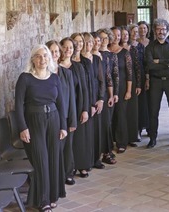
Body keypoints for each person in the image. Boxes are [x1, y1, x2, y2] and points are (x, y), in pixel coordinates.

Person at [15, 44, 67, 211]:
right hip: (34, 122)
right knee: (41, 160)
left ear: (49, 59)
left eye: (45, 56)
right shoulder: (25, 78)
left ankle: (52, 196)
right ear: (33, 60)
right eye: (38, 56)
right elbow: (18, 105)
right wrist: (22, 127)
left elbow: (61, 104)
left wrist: (63, 126)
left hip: (53, 120)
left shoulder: (54, 78)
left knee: (53, 158)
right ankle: (43, 200)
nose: (42, 59)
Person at [145, 18, 169, 148]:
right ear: (155, 31)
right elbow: (150, 65)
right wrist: (167, 61)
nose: (161, 31)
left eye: (163, 29)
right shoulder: (150, 46)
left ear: (167, 30)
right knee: (153, 111)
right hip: (156, 81)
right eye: (158, 29)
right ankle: (153, 138)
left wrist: (158, 61)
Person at [46, 40, 77, 187]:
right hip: (50, 118)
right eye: (51, 51)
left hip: (65, 116)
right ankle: (55, 176)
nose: (54, 54)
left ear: (60, 53)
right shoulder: (44, 74)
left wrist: (73, 120)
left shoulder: (67, 73)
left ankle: (68, 173)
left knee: (66, 147)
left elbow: (71, 97)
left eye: (56, 51)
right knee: (54, 149)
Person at [70, 32, 94, 177]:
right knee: (72, 137)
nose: (79, 44)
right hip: (70, 103)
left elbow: (88, 85)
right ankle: (71, 165)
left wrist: (88, 106)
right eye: (76, 41)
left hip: (82, 101)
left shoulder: (85, 62)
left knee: (83, 136)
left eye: (81, 41)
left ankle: (83, 165)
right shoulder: (65, 62)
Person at [82, 32, 105, 169]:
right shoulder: (79, 61)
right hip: (86, 100)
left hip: (97, 97)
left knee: (97, 131)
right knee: (87, 133)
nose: (89, 45)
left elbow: (101, 80)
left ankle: (96, 158)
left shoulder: (96, 59)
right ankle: (87, 161)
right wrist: (89, 104)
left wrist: (101, 99)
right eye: (86, 42)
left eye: (90, 42)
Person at [109, 26, 132, 153]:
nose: (116, 37)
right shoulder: (105, 51)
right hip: (108, 87)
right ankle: (109, 141)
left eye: (118, 35)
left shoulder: (125, 53)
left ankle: (121, 142)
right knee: (110, 115)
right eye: (114, 35)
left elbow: (129, 74)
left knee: (120, 115)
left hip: (122, 87)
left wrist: (129, 90)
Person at [97, 28, 118, 164]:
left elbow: (113, 76)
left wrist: (113, 94)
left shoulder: (112, 55)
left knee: (106, 124)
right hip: (97, 93)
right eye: (101, 39)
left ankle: (107, 151)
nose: (104, 41)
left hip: (106, 93)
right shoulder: (94, 55)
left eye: (105, 38)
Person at [120, 26, 141, 147]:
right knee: (122, 111)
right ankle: (122, 137)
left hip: (132, 82)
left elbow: (137, 68)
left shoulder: (133, 49)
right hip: (120, 82)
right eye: (123, 35)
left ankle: (132, 137)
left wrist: (138, 84)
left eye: (126, 34)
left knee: (132, 110)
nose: (125, 36)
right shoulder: (114, 49)